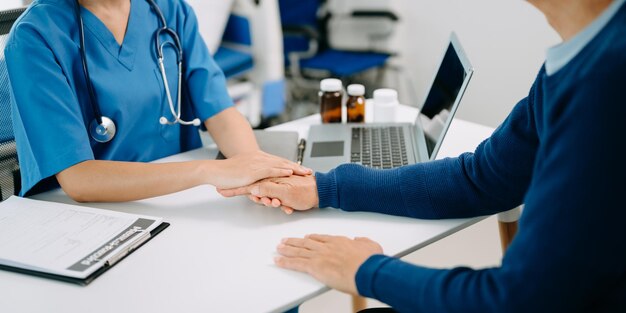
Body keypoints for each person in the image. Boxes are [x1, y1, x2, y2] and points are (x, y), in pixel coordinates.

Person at [218, 0, 626, 311]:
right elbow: (483, 180)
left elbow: (520, 301)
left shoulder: (608, 80)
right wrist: (327, 187)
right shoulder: (581, 56)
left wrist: (365, 271)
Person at [5, 0, 310, 202]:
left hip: (178, 198)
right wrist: (209, 172)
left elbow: (220, 111)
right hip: (89, 215)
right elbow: (79, 179)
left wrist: (257, 175)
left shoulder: (168, 10)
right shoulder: (35, 36)